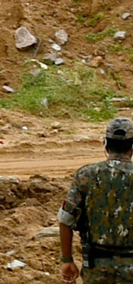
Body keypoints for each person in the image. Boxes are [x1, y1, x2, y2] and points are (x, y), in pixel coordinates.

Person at [59, 117, 133, 283]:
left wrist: (67, 260)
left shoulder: (86, 175)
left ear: (105, 144)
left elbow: (65, 220)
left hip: (97, 268)